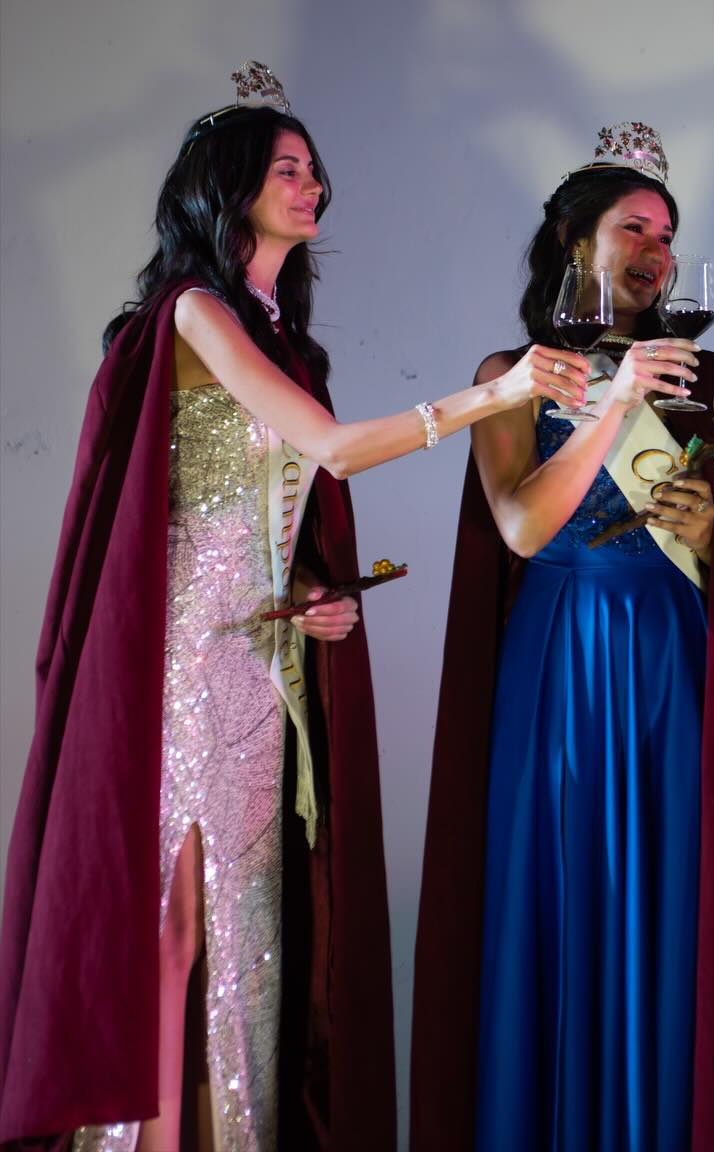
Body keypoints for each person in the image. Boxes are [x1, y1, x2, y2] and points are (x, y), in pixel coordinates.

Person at [0, 63, 588, 1152]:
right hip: (180, 664)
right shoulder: (194, 314)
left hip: (261, 672)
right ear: (227, 188)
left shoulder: (284, 341)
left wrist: (316, 592)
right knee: (174, 925)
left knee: (250, 932)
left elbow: (271, 509)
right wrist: (499, 393)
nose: (312, 185)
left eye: (314, 169)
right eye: (286, 169)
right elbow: (330, 452)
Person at [410, 123, 714, 1152]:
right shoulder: (516, 374)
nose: (657, 251)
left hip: (676, 655)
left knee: (682, 897)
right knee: (560, 898)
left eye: (667, 236)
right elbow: (521, 526)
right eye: (633, 229)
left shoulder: (712, 381)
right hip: (560, 659)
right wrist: (615, 398)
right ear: (576, 241)